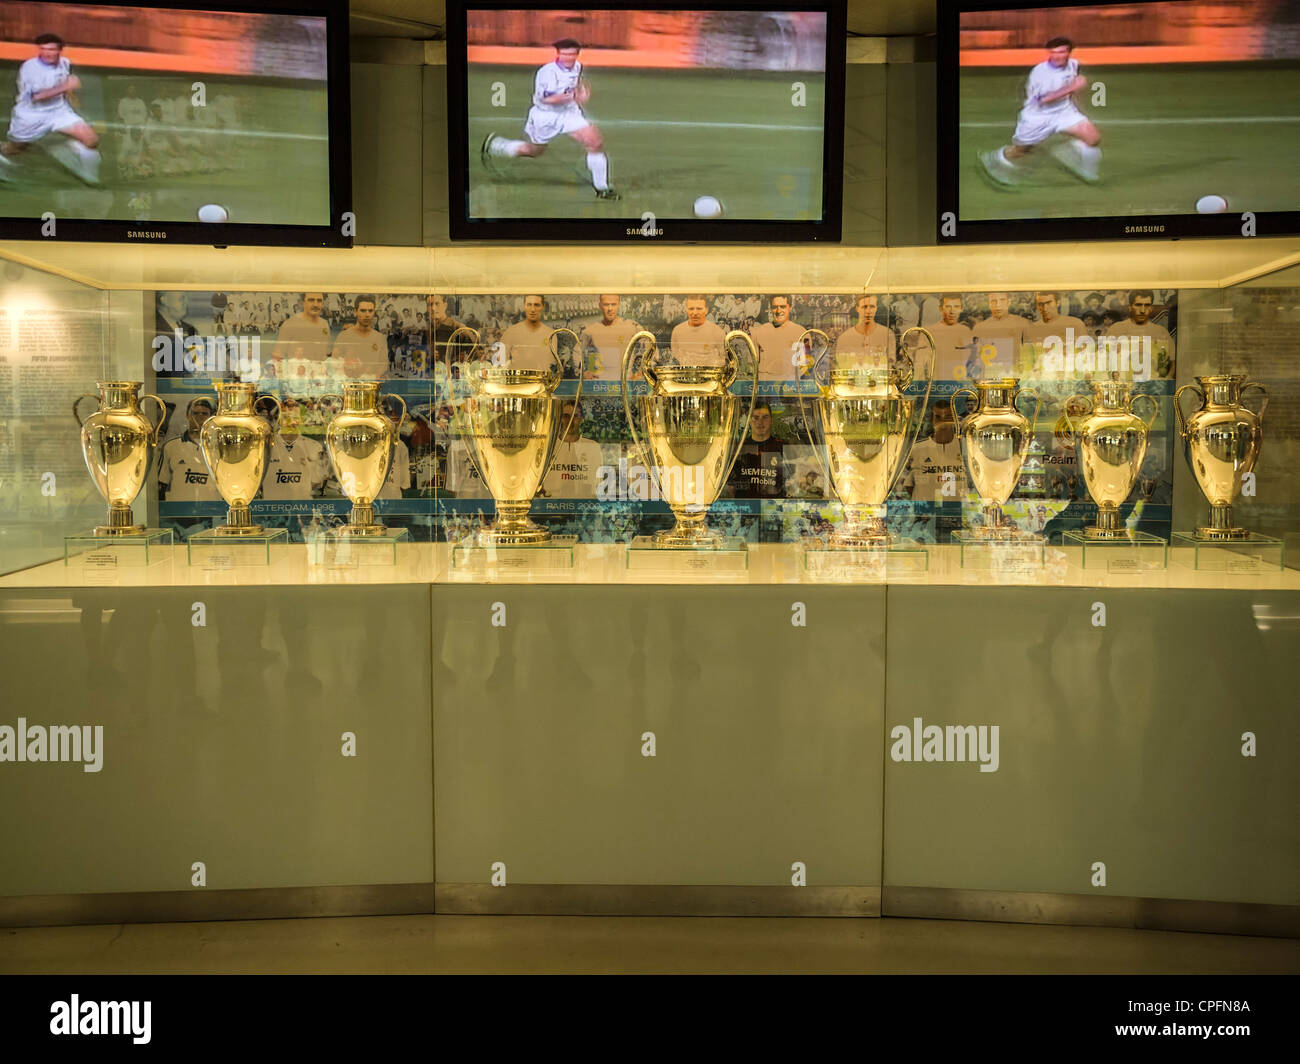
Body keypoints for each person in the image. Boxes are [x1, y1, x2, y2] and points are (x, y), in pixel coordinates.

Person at [481, 38, 620, 200]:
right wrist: (575, 96)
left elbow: (577, 81)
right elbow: (548, 99)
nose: (567, 58)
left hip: (569, 113)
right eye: (564, 54)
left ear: (577, 55)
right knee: (534, 151)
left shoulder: (577, 66)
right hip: (545, 116)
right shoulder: (546, 73)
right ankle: (497, 145)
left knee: (595, 142)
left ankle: (602, 188)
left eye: (571, 54)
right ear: (558, 54)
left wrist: (582, 90)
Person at [979, 37, 1102, 187]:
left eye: (1062, 52)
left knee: (1093, 138)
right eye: (1053, 52)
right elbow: (1043, 100)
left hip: (1065, 112)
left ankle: (1085, 171)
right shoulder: (1040, 73)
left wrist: (1077, 102)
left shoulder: (1073, 64)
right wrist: (1073, 88)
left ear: (1069, 52)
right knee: (1021, 151)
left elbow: (1074, 79)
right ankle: (995, 157)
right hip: (1038, 117)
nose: (1057, 56)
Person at [0, 34, 102, 185]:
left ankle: (90, 177)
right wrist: (66, 86)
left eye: (51, 49)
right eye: (43, 49)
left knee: (91, 140)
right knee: (17, 149)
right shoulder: (30, 68)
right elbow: (36, 97)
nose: (47, 53)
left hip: (58, 112)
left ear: (60, 50)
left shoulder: (64, 63)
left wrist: (70, 94)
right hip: (31, 116)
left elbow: (64, 81)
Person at [261, 398, 328, 500]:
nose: (291, 422)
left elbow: (317, 480)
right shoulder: (265, 447)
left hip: (303, 509)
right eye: (286, 417)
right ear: (278, 419)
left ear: (301, 419)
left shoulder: (314, 446)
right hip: (271, 509)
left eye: (295, 417)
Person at [157, 398, 220, 503]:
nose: (199, 417)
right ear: (187, 415)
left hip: (212, 512)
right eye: (195, 413)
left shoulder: (219, 447)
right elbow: (162, 484)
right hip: (180, 512)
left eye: (204, 413)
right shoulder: (171, 446)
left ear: (210, 417)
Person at [903, 400, 966, 502]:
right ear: (932, 420)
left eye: (948, 417)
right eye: (938, 417)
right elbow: (908, 485)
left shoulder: (966, 446)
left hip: (959, 511)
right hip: (926, 513)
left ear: (954, 419)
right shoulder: (917, 449)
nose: (943, 421)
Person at [540, 400, 603, 497]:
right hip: (551, 506)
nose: (570, 421)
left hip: (582, 506)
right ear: (560, 418)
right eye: (566, 416)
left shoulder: (593, 447)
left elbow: (598, 484)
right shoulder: (547, 446)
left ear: (582, 418)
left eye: (575, 416)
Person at [1106, 289, 1175, 376]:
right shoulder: (1116, 329)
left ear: (1151, 308)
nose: (1142, 310)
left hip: (1152, 385)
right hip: (1123, 385)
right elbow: (1104, 360)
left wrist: (1164, 383)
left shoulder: (1161, 332)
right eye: (1138, 305)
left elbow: (1172, 365)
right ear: (1130, 307)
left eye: (1147, 305)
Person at [272, 292, 332, 381]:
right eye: (311, 300)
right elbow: (277, 357)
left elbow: (326, 355)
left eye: (319, 301)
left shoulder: (324, 324)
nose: (316, 304)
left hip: (318, 379)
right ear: (303, 303)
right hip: (297, 380)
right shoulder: (290, 324)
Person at [729, 401, 784, 498]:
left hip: (774, 507)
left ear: (771, 420)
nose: (760, 422)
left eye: (765, 417)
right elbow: (731, 487)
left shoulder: (781, 447)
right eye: (756, 418)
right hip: (745, 508)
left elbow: (792, 482)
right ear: (749, 420)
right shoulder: (739, 448)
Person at [579, 294, 640, 379]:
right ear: (600, 305)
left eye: (614, 304)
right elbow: (577, 351)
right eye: (606, 304)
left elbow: (650, 348)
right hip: (600, 385)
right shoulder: (591, 330)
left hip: (624, 384)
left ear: (619, 305)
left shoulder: (631, 327)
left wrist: (640, 373)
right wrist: (583, 372)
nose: (610, 309)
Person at [1023, 290, 1087, 370]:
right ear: (1036, 306)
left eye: (1049, 303)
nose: (1045, 308)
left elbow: (1085, 355)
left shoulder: (1075, 324)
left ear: (1058, 303)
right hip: (1043, 376)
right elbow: (1029, 359)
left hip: (1070, 374)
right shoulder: (1033, 329)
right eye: (1041, 304)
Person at [970, 292, 1029, 379]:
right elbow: (976, 359)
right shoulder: (980, 328)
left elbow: (1029, 354)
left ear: (1009, 302)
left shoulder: (1022, 323)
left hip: (1015, 376)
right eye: (994, 301)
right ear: (989, 304)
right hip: (990, 377)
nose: (998, 305)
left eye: (1002, 300)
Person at [330, 294, 389, 379]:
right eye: (363, 310)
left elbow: (383, 366)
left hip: (371, 386)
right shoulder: (344, 336)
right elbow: (334, 363)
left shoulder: (380, 338)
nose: (367, 315)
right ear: (355, 312)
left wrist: (372, 378)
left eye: (370, 311)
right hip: (349, 386)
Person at [749, 295, 806, 380]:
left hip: (790, 386)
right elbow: (751, 365)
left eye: (783, 307)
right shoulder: (759, 332)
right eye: (775, 307)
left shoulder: (801, 332)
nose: (778, 311)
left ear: (790, 307)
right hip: (766, 386)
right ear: (770, 308)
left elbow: (804, 367)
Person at [834, 294, 896, 370]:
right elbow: (841, 366)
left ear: (876, 308)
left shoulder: (887, 334)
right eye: (864, 307)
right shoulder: (844, 338)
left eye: (872, 306)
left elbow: (891, 364)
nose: (868, 311)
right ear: (857, 308)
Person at [499, 294, 556, 371]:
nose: (532, 309)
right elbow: (501, 363)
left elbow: (551, 364)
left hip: (541, 381)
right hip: (516, 381)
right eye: (529, 305)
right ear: (524, 306)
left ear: (543, 307)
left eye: (537, 305)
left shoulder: (550, 334)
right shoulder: (511, 332)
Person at [670, 295, 727, 366]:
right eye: (691, 309)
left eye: (699, 309)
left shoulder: (718, 332)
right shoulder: (677, 331)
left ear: (706, 310)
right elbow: (676, 357)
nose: (695, 313)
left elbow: (723, 359)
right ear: (686, 310)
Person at [927, 294, 974, 379]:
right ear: (940, 308)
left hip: (960, 382)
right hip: (937, 384)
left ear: (961, 309)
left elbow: (971, 361)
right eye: (948, 306)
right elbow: (921, 363)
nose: (952, 311)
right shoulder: (930, 332)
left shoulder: (966, 331)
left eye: (956, 306)